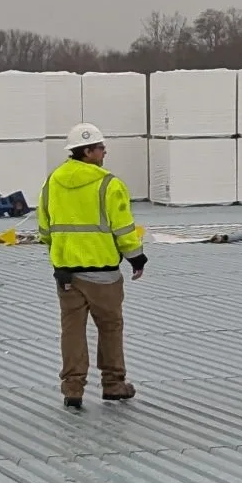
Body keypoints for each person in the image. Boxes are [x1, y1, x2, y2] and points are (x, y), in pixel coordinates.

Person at [37, 122, 147, 410]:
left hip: (66, 273)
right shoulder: (109, 184)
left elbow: (44, 228)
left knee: (72, 331)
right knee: (110, 328)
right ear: (87, 151)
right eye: (100, 147)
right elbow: (123, 228)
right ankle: (113, 384)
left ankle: (72, 388)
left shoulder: (53, 181)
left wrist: (59, 255)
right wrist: (137, 257)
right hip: (103, 274)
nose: (104, 151)